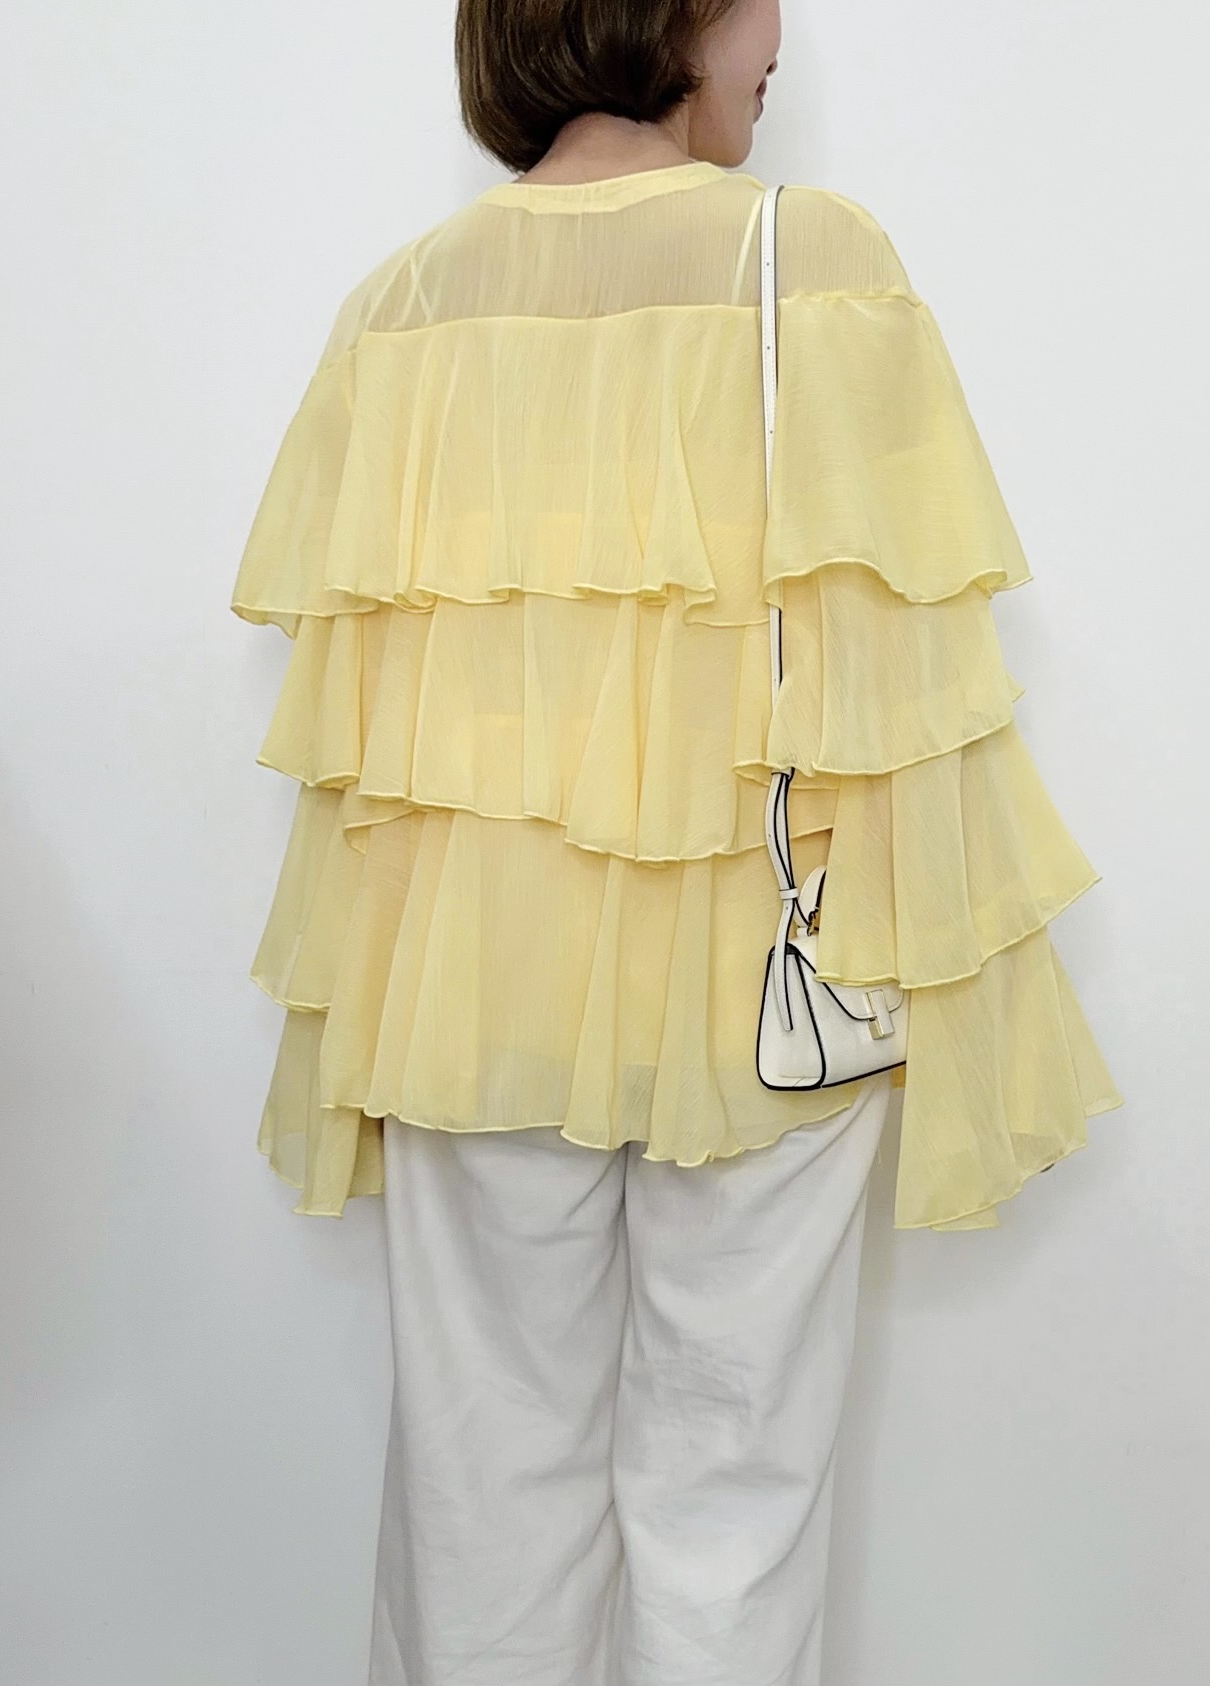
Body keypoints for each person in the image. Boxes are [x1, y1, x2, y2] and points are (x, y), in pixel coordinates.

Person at [229, 1, 1123, 1680]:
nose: (786, 36)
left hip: (477, 976)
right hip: (762, 977)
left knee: (479, 1482)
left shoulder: (404, 308)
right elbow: (900, 665)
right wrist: (949, 967)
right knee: (738, 1491)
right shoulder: (817, 263)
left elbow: (366, 718)